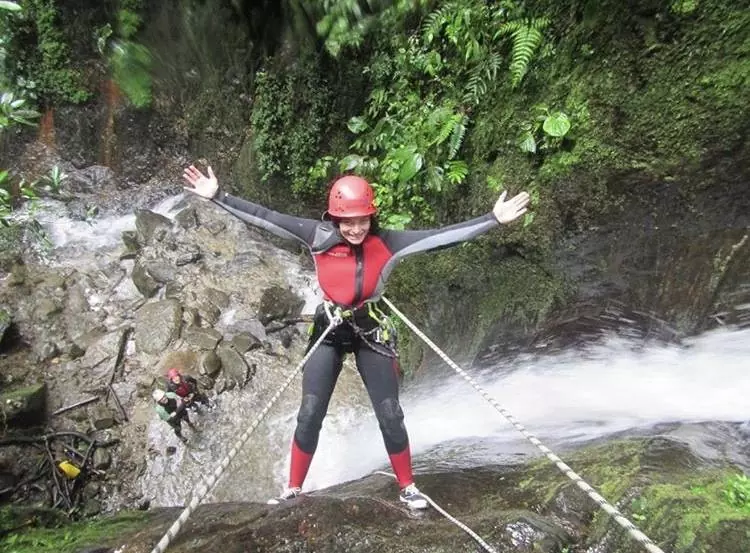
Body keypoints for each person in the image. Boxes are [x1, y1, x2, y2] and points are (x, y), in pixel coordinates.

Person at [183, 165, 530, 509]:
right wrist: (219, 196)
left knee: (390, 413)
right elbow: (265, 217)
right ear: (334, 219)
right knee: (309, 412)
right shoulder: (316, 235)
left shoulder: (389, 242)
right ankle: (293, 489)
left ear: (371, 216)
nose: (355, 228)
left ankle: (407, 487)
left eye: (362, 220)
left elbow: (441, 237)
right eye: (347, 221)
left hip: (370, 327)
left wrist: (492, 219)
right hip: (330, 330)